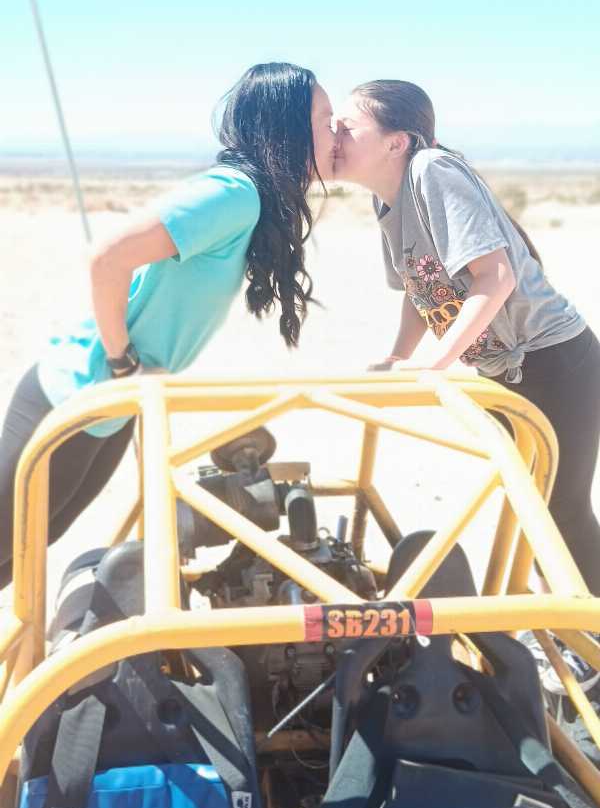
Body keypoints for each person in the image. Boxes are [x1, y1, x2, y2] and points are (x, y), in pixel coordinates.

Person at [0, 62, 337, 590]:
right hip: (75, 391)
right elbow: (108, 256)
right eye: (325, 120)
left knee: (25, 549)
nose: (336, 133)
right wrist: (123, 364)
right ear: (289, 127)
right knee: (8, 544)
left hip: (115, 406)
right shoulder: (234, 193)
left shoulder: (256, 201)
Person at [331, 78, 600, 596]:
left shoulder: (431, 171)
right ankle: (560, 624)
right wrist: (398, 357)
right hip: (502, 371)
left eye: (347, 127)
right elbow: (420, 287)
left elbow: (495, 277)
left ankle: (586, 627)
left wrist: (434, 364)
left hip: (555, 361)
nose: (334, 137)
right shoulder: (388, 200)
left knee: (561, 510)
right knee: (530, 507)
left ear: (396, 142)